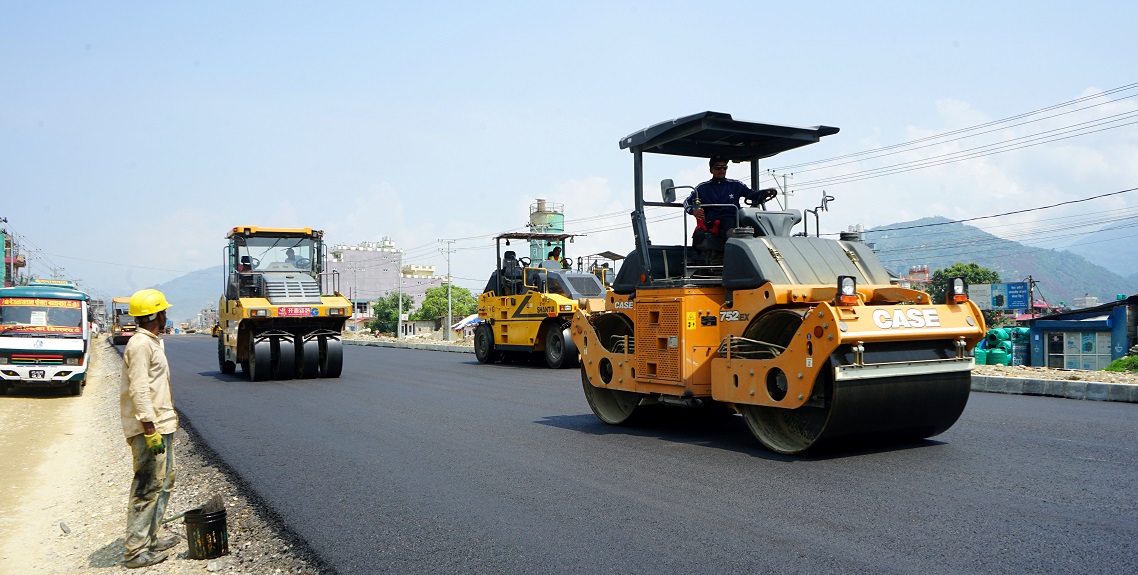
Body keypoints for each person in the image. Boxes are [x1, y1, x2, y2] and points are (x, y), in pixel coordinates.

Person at [119, 288, 179, 568]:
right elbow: (139, 388)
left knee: (164, 482)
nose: (166, 316)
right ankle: (136, 550)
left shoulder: (153, 342)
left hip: (162, 424)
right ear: (156, 315)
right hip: (149, 428)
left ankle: (152, 537)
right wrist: (149, 428)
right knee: (146, 486)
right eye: (164, 312)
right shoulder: (140, 345)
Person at [683, 156, 777, 244]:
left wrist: (765, 194)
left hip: (736, 218)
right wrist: (693, 211)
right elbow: (687, 202)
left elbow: (752, 195)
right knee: (729, 224)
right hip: (715, 220)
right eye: (718, 167)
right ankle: (736, 244)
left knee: (752, 221)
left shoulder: (736, 185)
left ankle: (768, 244)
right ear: (711, 170)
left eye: (724, 167)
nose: (722, 170)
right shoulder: (702, 188)